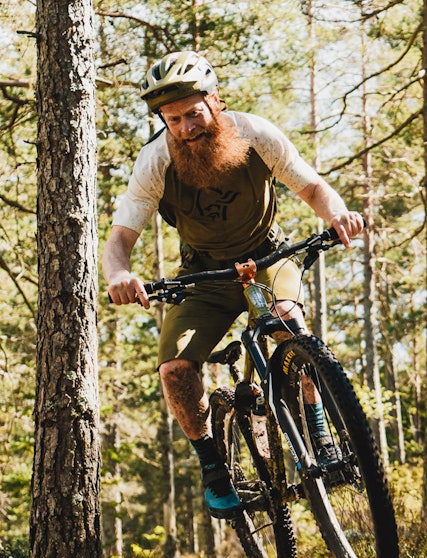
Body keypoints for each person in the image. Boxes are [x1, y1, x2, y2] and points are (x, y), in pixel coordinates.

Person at [105, 50, 363, 518]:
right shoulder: (155, 161)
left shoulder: (256, 134)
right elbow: (121, 237)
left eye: (193, 113)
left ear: (215, 102)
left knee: (289, 326)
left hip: (266, 257)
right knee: (175, 371)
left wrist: (337, 214)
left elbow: (311, 187)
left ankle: (320, 431)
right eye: (173, 118)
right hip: (203, 276)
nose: (186, 127)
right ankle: (212, 465)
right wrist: (120, 274)